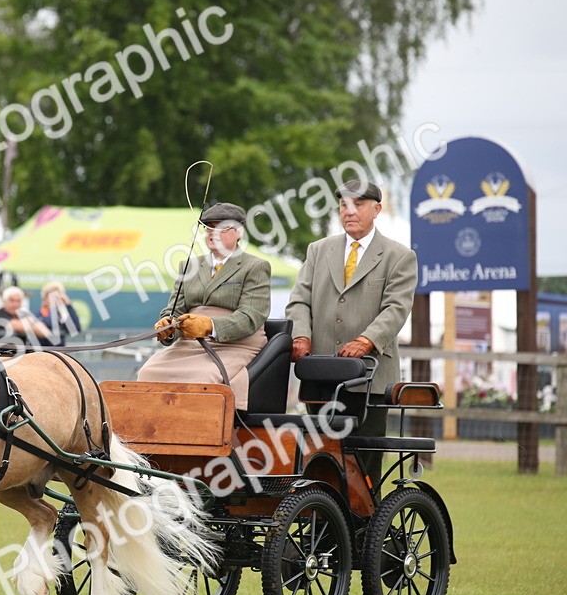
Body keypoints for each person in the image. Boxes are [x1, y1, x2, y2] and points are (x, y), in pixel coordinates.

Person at [285, 179, 417, 488]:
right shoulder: (318, 250)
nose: (349, 211)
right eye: (344, 205)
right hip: (320, 375)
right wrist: (301, 336)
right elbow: (299, 300)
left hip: (369, 378)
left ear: (377, 209)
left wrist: (366, 340)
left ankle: (364, 531)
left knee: (362, 463)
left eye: (357, 205)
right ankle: (329, 525)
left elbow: (396, 309)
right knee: (320, 458)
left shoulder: (399, 256)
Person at [137, 202, 271, 411]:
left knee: (203, 378)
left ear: (238, 233)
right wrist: (168, 326)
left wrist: (210, 326)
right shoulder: (188, 266)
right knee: (149, 371)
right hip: (189, 343)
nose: (212, 233)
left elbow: (251, 316)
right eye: (209, 227)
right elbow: (174, 309)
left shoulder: (255, 267)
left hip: (235, 344)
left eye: (221, 227)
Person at [36, 282, 82, 347]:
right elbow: (50, 324)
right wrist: (53, 307)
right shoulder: (38, 316)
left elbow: (76, 329)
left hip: (59, 354)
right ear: (45, 298)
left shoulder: (61, 316)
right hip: (42, 353)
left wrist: (68, 305)